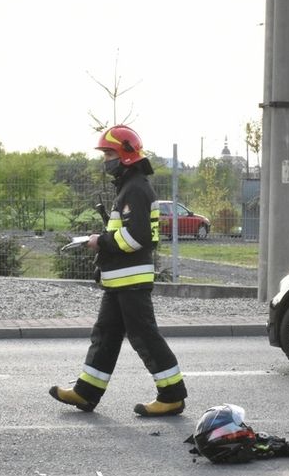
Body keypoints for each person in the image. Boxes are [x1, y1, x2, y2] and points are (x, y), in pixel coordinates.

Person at [50, 124, 187, 417]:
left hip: (131, 281)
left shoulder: (135, 189)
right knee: (106, 335)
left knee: (144, 336)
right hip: (120, 281)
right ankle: (86, 393)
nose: (105, 160)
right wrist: (104, 245)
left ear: (126, 154)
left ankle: (172, 394)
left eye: (109, 153)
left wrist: (100, 242)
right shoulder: (129, 186)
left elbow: (136, 237)